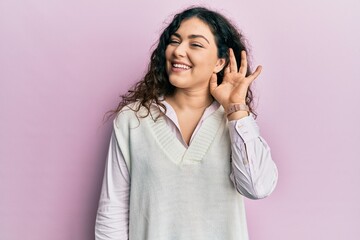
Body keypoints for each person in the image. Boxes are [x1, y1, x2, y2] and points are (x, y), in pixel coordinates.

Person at [95, 6, 278, 240]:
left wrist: (235, 110)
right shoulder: (133, 119)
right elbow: (112, 213)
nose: (179, 51)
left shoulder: (236, 122)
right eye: (174, 41)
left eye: (196, 44)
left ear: (219, 63)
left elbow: (258, 188)